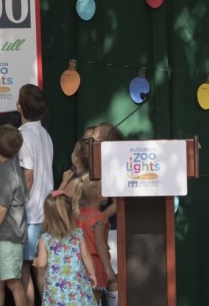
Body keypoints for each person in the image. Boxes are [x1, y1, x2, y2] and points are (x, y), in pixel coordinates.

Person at [0, 124, 29, 306]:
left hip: (6, 238)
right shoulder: (6, 168)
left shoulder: (7, 172)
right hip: (1, 238)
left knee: (13, 283)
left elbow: (3, 207)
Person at [16, 84, 54, 306]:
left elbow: (27, 176)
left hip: (29, 215)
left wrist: (14, 205)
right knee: (41, 268)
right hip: (45, 213)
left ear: (19, 107)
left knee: (24, 269)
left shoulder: (23, 136)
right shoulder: (45, 135)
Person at [35, 190, 96, 305]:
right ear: (70, 213)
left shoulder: (45, 239)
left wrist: (36, 261)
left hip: (56, 289)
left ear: (48, 216)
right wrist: (92, 274)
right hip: (76, 285)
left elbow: (41, 264)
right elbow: (86, 255)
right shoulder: (78, 234)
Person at [92, 122, 122, 306]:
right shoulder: (97, 166)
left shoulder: (113, 168)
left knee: (111, 275)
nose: (90, 141)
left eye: (94, 138)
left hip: (110, 230)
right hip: (96, 230)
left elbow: (117, 204)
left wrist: (98, 219)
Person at [74, 174, 115, 303]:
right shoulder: (99, 218)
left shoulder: (78, 213)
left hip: (78, 263)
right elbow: (100, 244)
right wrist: (108, 267)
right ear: (99, 193)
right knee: (94, 300)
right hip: (96, 264)